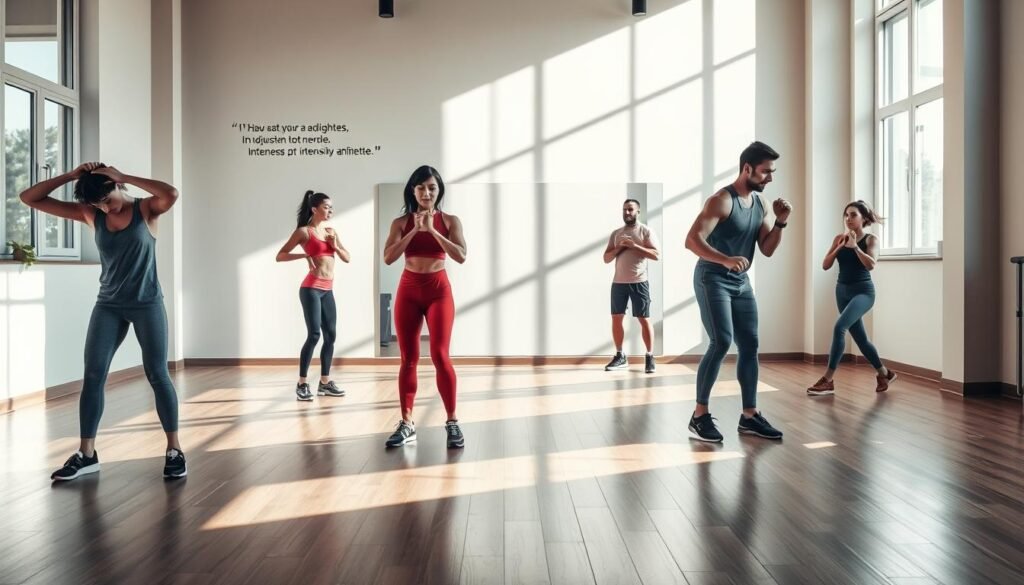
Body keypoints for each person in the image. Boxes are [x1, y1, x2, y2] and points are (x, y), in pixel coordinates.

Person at [20, 162, 187, 480]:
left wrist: (124, 175)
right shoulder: (91, 214)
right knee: (93, 375)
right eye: (99, 204)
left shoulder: (147, 209)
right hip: (108, 305)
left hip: (147, 303)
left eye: (108, 199)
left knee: (156, 373)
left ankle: (174, 449)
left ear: (117, 185)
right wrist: (70, 177)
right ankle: (86, 454)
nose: (106, 208)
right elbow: (30, 198)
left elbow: (171, 192)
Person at [684, 141, 791, 443]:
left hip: (740, 282)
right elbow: (692, 240)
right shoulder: (721, 200)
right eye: (766, 172)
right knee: (721, 341)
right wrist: (724, 259)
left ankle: (749, 416)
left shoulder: (761, 204)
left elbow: (767, 249)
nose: (770, 178)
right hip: (712, 278)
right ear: (747, 169)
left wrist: (781, 221)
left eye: (772, 172)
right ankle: (699, 415)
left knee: (750, 344)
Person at [381, 166, 467, 449]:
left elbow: (461, 255)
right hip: (409, 289)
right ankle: (407, 424)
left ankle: (452, 421)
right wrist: (414, 231)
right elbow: (388, 258)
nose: (427, 193)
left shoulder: (451, 221)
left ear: (439, 189)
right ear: (413, 191)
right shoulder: (400, 222)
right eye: (421, 188)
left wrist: (432, 230)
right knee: (408, 358)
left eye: (431, 187)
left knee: (441, 355)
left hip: (438, 291)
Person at [806, 200, 897, 396]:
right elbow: (825, 264)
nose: (848, 218)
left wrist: (855, 247)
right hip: (842, 291)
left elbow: (871, 265)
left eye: (853, 215)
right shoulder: (839, 238)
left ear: (863, 218)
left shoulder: (871, 240)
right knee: (861, 339)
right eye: (846, 215)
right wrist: (840, 246)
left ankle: (828, 380)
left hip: (863, 292)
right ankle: (884, 373)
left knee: (840, 327)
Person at [276, 190, 351, 401]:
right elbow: (280, 255)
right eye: (326, 207)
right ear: (314, 209)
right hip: (310, 289)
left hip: (328, 290)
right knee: (314, 335)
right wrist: (305, 254)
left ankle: (325, 383)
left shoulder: (330, 231)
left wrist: (334, 244)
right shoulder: (304, 232)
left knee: (331, 335)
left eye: (331, 208)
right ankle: (302, 383)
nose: (330, 211)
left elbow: (347, 257)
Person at [602, 198, 660, 373]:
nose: (627, 213)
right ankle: (620, 356)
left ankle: (650, 356)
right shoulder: (616, 233)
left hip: (639, 282)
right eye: (624, 210)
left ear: (638, 211)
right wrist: (620, 247)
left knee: (644, 319)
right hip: (618, 283)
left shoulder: (646, 231)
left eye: (630, 210)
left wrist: (634, 245)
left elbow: (656, 255)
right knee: (616, 318)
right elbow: (606, 258)